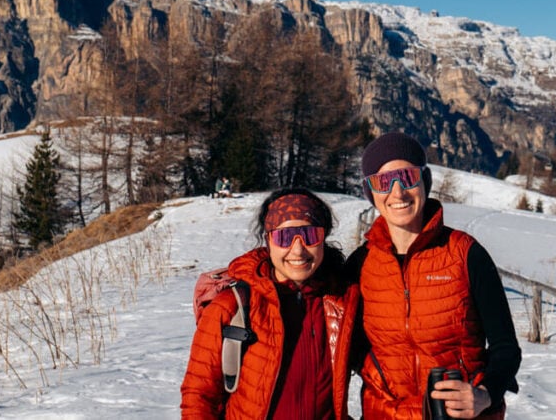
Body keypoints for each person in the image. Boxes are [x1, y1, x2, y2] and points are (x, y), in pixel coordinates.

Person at [348, 133, 521, 419]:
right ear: (371, 193)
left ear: (424, 182)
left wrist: (485, 394)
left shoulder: (465, 254)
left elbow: (506, 347)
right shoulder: (361, 265)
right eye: (383, 182)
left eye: (407, 177)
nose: (397, 192)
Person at [181, 188, 359, 419]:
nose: (297, 250)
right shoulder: (233, 306)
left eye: (309, 235)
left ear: (323, 238)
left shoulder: (342, 301)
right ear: (268, 241)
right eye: (284, 237)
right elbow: (199, 395)